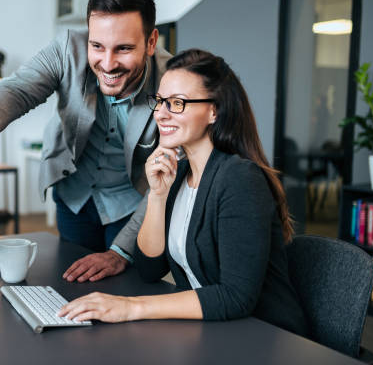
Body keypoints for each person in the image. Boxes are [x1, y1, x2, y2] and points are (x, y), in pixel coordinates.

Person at [58, 48, 308, 337]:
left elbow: (236, 296)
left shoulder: (240, 178)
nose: (160, 114)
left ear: (214, 110)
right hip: (214, 330)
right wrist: (157, 196)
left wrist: (131, 307)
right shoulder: (179, 172)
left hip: (267, 337)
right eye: (160, 101)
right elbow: (150, 269)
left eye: (177, 103)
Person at [0, 0, 171, 282]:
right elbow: (19, 89)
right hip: (75, 194)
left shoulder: (173, 82)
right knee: (72, 284)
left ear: (151, 42)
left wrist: (119, 252)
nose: (108, 63)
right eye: (97, 46)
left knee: (126, 290)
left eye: (123, 48)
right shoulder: (68, 48)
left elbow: (165, 179)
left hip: (132, 204)